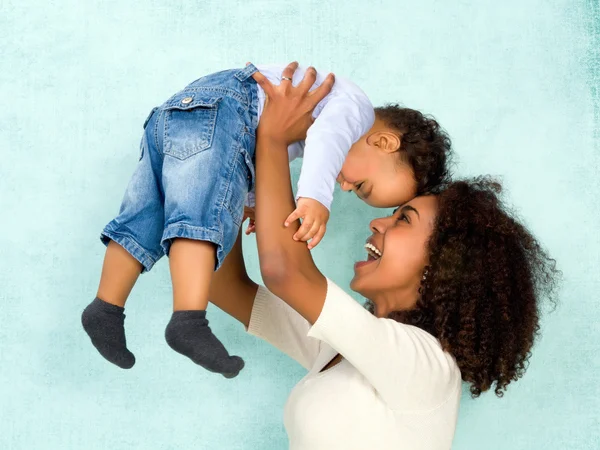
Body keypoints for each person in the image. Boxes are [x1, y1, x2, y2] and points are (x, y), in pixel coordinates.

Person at [208, 64, 560, 449]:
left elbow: (284, 272)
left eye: (404, 219)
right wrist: (224, 188)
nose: (377, 223)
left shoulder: (426, 367)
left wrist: (273, 140)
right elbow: (225, 286)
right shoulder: (343, 350)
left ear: (443, 263)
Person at [80, 62, 452, 377]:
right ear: (385, 143)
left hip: (184, 111)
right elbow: (320, 143)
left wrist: (249, 197)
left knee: (146, 216)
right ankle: (188, 320)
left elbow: (254, 148)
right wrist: (314, 199)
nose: (347, 187)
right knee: (199, 219)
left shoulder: (416, 364)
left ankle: (105, 307)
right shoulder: (353, 110)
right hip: (225, 107)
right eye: (362, 186)